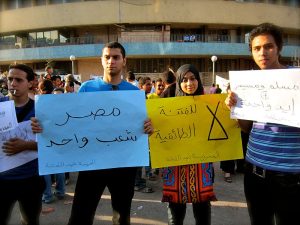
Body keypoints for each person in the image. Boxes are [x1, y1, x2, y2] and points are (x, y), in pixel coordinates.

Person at [31, 42, 154, 225]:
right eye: (107, 57)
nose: (111, 61)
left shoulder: (135, 93)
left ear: (124, 61)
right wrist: (45, 126)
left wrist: (148, 129)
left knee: (121, 218)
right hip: (92, 165)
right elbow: (73, 121)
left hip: (124, 165)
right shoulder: (88, 88)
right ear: (101, 61)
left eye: (116, 57)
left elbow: (141, 128)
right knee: (80, 216)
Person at [225, 23, 300, 225]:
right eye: (257, 48)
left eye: (268, 46)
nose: (263, 53)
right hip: (255, 173)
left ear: (279, 48)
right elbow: (246, 128)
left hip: (291, 178)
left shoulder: (296, 79)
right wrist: (236, 108)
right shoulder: (247, 83)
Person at [162, 64, 216, 225]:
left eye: (193, 78)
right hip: (175, 165)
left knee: (202, 211)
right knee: (175, 214)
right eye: (184, 80)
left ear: (198, 80)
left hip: (201, 166)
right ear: (178, 82)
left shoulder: (210, 105)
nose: (189, 83)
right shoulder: (167, 105)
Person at [0, 64, 45, 225]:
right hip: (3, 180)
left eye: (19, 80)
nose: (13, 84)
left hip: (31, 179)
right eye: (10, 79)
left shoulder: (41, 111)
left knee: (30, 220)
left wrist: (26, 145)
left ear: (30, 83)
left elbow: (53, 145)